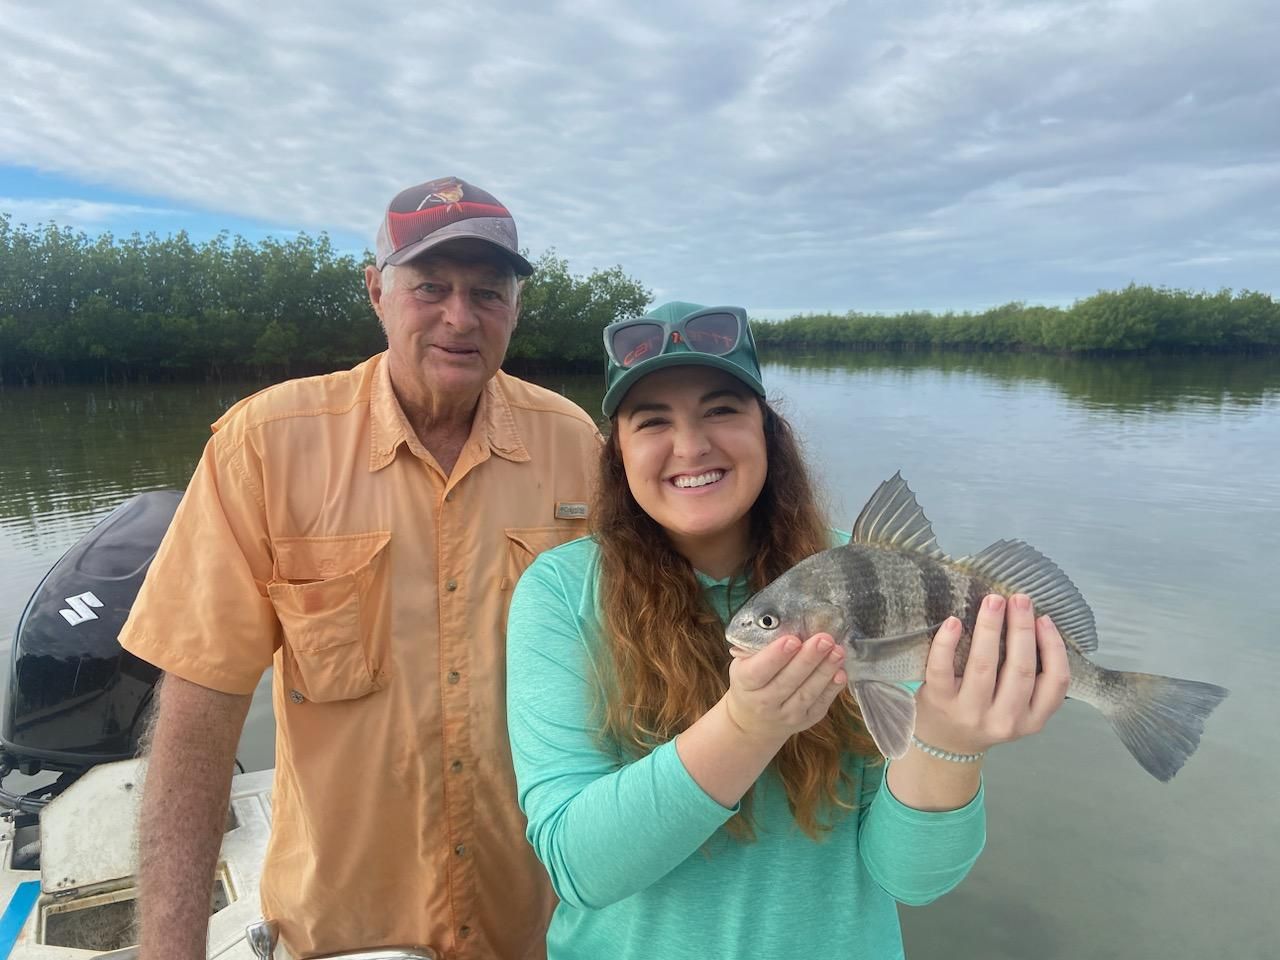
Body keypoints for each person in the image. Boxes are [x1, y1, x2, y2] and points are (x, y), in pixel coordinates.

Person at [119, 176, 602, 960]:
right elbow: (199, 717)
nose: (459, 317)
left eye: (488, 292)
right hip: (341, 935)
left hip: (540, 929)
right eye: (430, 288)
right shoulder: (264, 447)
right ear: (376, 291)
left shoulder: (578, 446)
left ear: (516, 308)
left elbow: (636, 671)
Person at [505, 301, 1071, 959]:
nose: (690, 446)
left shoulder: (862, 578)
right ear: (617, 453)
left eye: (721, 409)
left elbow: (911, 880)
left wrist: (951, 742)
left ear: (768, 432)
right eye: (652, 421)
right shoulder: (559, 593)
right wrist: (748, 726)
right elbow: (579, 869)